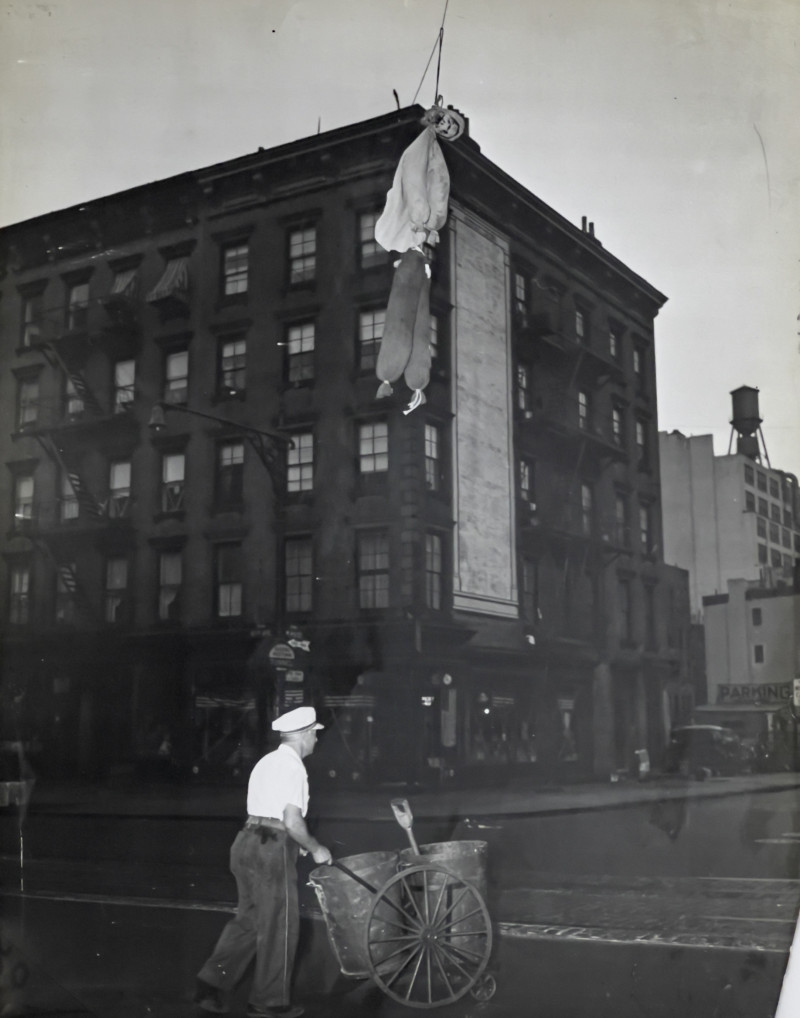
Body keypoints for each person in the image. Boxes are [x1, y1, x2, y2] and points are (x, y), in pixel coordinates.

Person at [195, 706, 332, 1018]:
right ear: (302, 735)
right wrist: (315, 848)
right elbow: (292, 821)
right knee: (280, 925)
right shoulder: (295, 768)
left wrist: (296, 845)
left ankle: (210, 986)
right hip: (270, 849)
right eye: (314, 733)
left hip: (245, 841)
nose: (315, 739)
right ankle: (268, 1001)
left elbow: (267, 810)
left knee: (249, 919)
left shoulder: (266, 761)